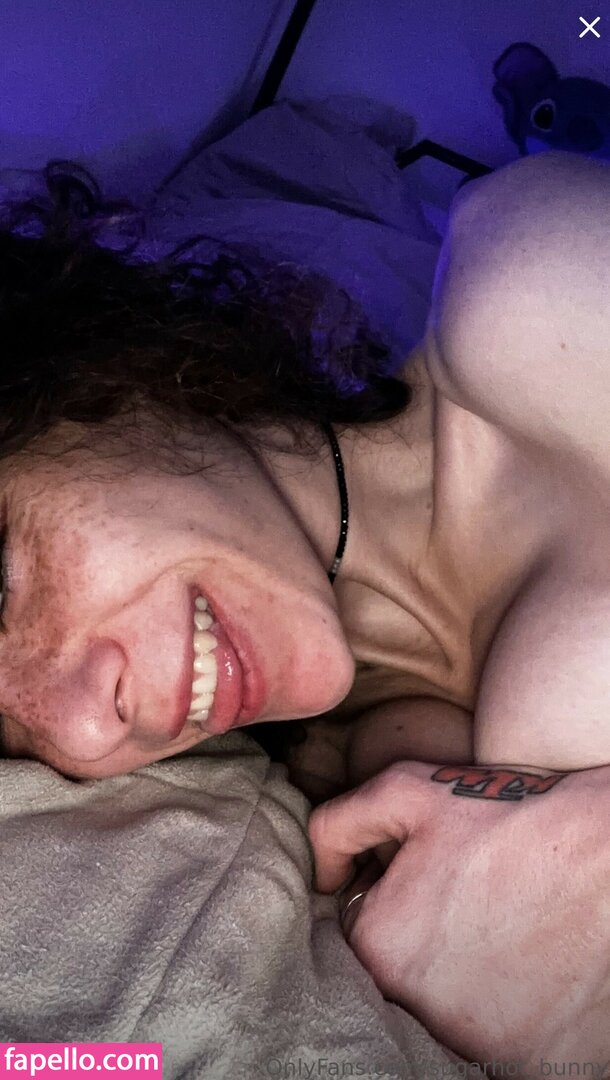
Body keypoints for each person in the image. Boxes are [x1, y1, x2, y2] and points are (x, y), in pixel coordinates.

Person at [0, 150, 608, 1067]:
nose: (86, 732)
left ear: (85, 381)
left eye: (1, 582)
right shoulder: (357, 776)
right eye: (8, 735)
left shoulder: (532, 294)